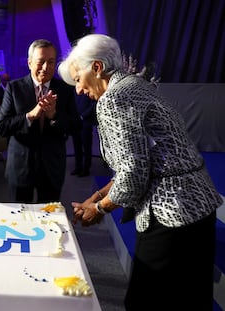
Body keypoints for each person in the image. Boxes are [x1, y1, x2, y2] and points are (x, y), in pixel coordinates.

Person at [57, 34, 223, 311]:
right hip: (199, 205)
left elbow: (134, 174)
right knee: (193, 299)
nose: (78, 90)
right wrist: (98, 194)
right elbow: (140, 161)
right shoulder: (137, 85)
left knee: (145, 303)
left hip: (169, 215)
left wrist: (98, 208)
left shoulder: (112, 99)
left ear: (97, 68)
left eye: (77, 79)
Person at [0, 39, 76, 203]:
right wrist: (30, 116)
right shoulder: (14, 88)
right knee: (18, 220)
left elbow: (76, 127)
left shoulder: (65, 89)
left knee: (49, 220)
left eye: (51, 62)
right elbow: (2, 127)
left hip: (52, 168)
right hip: (20, 167)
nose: (46, 67)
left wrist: (54, 115)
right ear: (30, 62)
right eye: (41, 62)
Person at [70, 93, 97, 177]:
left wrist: (83, 116)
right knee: (77, 147)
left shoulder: (88, 90)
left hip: (86, 123)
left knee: (86, 147)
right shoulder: (73, 90)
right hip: (75, 123)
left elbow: (93, 105)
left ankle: (86, 169)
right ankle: (78, 167)